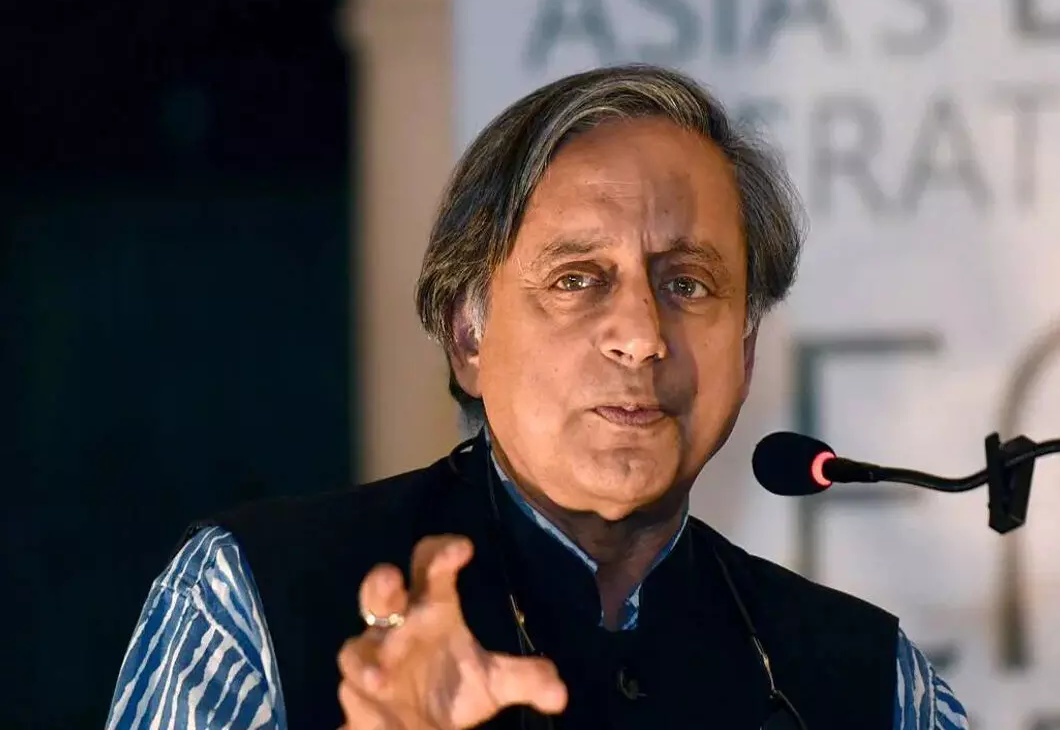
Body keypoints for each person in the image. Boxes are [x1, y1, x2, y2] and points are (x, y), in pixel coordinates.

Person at [106, 64, 970, 730]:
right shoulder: (252, 596)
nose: (641, 334)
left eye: (688, 284)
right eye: (577, 279)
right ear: (468, 336)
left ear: (745, 349)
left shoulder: (871, 681)